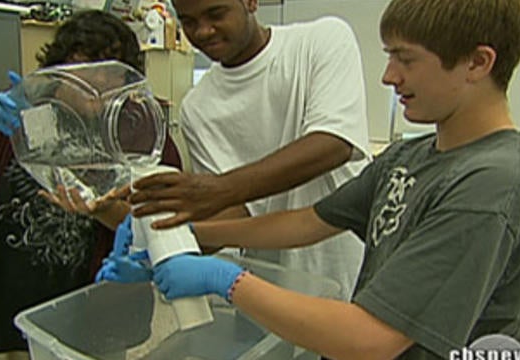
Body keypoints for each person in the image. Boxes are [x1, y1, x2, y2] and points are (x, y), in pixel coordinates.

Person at [112, 0, 520, 358]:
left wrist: (225, 279)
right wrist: (183, 235)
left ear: (477, 63)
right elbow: (308, 221)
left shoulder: (491, 186)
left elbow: (371, 339)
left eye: (406, 59)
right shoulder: (411, 156)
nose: (388, 76)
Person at [0, 10, 181, 360]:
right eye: (83, 65)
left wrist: (104, 209)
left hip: (96, 324)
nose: (97, 80)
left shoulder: (142, 133)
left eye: (110, 68)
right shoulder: (17, 118)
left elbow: (165, 226)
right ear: (57, 71)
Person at [124, 0, 372, 301]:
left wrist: (219, 189)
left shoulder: (322, 41)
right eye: (188, 21)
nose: (203, 31)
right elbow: (237, 209)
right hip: (267, 286)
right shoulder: (197, 107)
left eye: (216, 14)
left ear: (251, 2)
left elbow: (333, 144)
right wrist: (163, 238)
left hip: (346, 272)